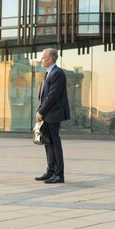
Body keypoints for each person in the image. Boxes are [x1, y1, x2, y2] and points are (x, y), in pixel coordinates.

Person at [35, 48, 70, 184]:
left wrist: (41, 111)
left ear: (50, 59)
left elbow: (52, 96)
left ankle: (59, 174)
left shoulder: (58, 73)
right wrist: (41, 111)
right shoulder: (49, 73)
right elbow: (45, 96)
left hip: (53, 113)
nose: (41, 60)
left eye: (43, 58)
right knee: (47, 142)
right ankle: (51, 171)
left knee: (55, 143)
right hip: (47, 114)